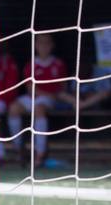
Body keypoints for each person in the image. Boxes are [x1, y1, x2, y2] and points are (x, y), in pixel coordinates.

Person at [7, 32, 68, 168]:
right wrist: (45, 94)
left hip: (50, 100)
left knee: (39, 109)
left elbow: (63, 86)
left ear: (52, 45)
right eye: (40, 43)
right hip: (34, 97)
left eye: (47, 43)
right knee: (13, 108)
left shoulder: (58, 64)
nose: (43, 46)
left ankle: (39, 153)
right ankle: (19, 150)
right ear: (35, 45)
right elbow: (30, 88)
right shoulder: (31, 64)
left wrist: (56, 95)